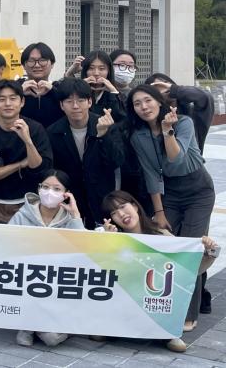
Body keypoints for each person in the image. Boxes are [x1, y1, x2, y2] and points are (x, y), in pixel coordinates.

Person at [127, 85, 215, 331]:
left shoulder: (184, 122)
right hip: (170, 193)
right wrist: (159, 213)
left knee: (191, 247)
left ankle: (188, 313)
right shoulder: (138, 137)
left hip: (198, 189)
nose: (144, 107)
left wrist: (167, 131)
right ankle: (163, 304)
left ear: (159, 101)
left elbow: (176, 157)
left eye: (148, 100)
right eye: (137, 103)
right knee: (166, 246)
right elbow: (151, 174)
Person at [102, 190, 220, 353]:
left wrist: (209, 252)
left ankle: (167, 331)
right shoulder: (113, 237)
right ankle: (110, 326)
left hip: (154, 298)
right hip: (127, 299)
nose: (121, 214)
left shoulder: (160, 235)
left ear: (135, 206)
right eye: (114, 213)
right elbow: (104, 272)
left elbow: (186, 269)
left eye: (123, 207)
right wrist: (108, 242)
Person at [8, 170, 84, 348]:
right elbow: (6, 244)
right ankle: (30, 325)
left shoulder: (69, 219)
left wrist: (76, 215)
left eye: (57, 189)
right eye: (46, 187)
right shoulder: (22, 215)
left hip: (57, 284)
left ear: (66, 194)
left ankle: (36, 326)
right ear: (39, 188)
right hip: (27, 279)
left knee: (52, 339)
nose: (50, 192)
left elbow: (82, 250)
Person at [0, 80, 52, 223]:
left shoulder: (35, 129)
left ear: (22, 102)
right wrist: (20, 164)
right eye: (2, 99)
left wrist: (28, 141)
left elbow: (40, 169)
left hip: (28, 203)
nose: (8, 104)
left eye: (13, 98)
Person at [47, 78, 125, 228]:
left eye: (81, 100)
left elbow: (116, 161)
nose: (75, 106)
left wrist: (103, 136)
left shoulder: (106, 125)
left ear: (90, 102)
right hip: (70, 199)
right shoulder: (53, 132)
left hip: (103, 197)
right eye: (69, 101)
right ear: (61, 105)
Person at [144, 73, 215, 153]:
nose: (165, 89)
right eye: (159, 87)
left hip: (192, 160)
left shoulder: (191, 113)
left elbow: (205, 97)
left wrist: (174, 89)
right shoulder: (153, 118)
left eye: (166, 84)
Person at [19, 42, 64, 128]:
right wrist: (18, 93)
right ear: (24, 65)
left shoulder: (60, 88)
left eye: (42, 60)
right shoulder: (14, 87)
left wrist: (54, 92)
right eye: (31, 61)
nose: (37, 65)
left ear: (52, 64)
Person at [80, 50, 126, 121]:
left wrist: (113, 91)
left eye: (101, 69)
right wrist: (79, 87)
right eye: (91, 68)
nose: (96, 73)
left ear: (109, 71)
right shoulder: (78, 93)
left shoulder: (119, 96)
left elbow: (122, 119)